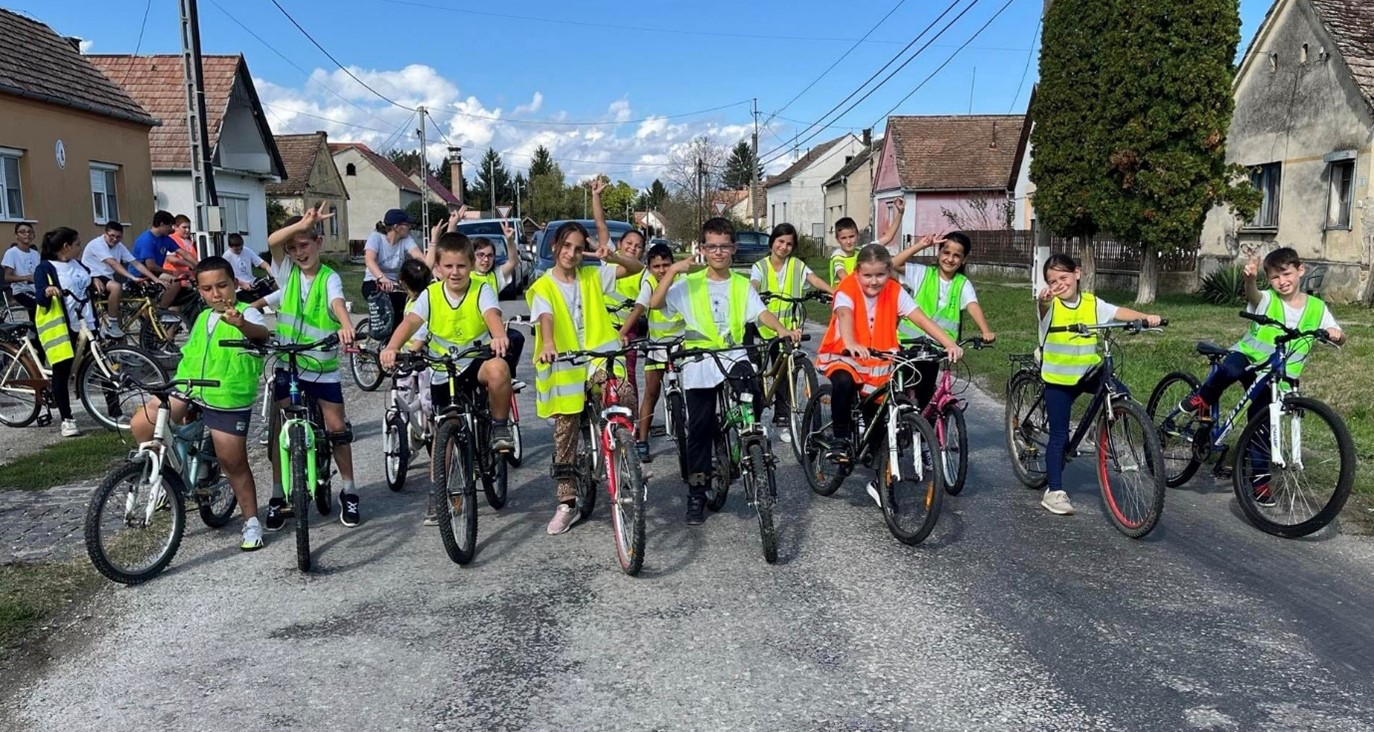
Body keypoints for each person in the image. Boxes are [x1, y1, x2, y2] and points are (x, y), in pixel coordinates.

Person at [648, 217, 800, 525]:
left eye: (724, 246)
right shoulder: (689, 283)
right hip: (699, 359)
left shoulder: (741, 284)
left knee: (754, 394)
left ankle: (746, 442)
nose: (718, 252)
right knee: (700, 428)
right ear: (703, 249)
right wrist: (673, 271)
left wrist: (783, 330)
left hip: (733, 355)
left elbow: (761, 313)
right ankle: (697, 492)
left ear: (733, 249)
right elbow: (655, 302)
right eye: (712, 247)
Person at [1179, 247, 1344, 505]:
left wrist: (1336, 334)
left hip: (1275, 376)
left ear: (1300, 271)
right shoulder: (1268, 299)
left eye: (1286, 274)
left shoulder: (1317, 308)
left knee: (1262, 425)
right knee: (1229, 369)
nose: (1282, 281)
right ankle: (1204, 397)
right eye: (1275, 277)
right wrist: (1250, 279)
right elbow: (1253, 295)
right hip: (1248, 358)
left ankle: (1260, 482)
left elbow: (1340, 334)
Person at [130, 256, 271, 551]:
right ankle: (166, 480)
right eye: (207, 289)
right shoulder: (203, 316)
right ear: (199, 290)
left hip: (227, 396)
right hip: (189, 387)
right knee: (142, 423)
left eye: (222, 286)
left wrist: (241, 324)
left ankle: (251, 521)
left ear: (235, 283)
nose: (216, 294)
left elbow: (261, 335)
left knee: (232, 462)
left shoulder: (247, 313)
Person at [381, 233, 515, 522]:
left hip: (474, 361)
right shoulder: (430, 295)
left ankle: (500, 427)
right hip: (443, 369)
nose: (455, 272)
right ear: (438, 268)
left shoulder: (481, 289)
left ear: (471, 265)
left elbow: (492, 315)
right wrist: (392, 347)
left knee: (499, 369)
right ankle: (439, 493)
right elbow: (410, 322)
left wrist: (498, 335)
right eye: (449, 266)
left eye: (461, 266)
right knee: (443, 434)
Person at [815, 244, 963, 505]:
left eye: (880, 275)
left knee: (880, 415)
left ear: (888, 272)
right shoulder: (846, 289)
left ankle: (879, 476)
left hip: (879, 361)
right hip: (846, 354)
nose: (874, 281)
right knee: (843, 382)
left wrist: (948, 343)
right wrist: (851, 342)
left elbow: (922, 319)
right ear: (857, 272)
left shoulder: (894, 291)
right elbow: (845, 315)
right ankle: (840, 438)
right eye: (868, 275)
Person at [528, 221, 643, 535]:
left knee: (623, 392)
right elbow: (546, 316)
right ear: (555, 247)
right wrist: (548, 343)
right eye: (566, 246)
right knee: (565, 428)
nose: (572, 253)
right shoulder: (543, 286)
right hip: (564, 362)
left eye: (579, 248)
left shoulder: (592, 276)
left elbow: (636, 268)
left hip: (596, 357)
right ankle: (566, 502)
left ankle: (625, 456)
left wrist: (613, 256)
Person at [255, 204, 361, 530]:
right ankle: (278, 494)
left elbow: (337, 303)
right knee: (281, 428)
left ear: (319, 243)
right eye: (293, 248)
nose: (299, 253)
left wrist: (346, 325)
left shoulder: (329, 278)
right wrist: (301, 225)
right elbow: (272, 240)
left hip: (321, 366)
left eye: (305, 245)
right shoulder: (286, 273)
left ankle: (349, 490)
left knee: (336, 428)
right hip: (288, 363)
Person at [1038, 253, 1162, 516]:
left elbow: (1118, 312)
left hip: (1087, 372)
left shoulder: (1092, 303)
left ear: (1077, 273)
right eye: (1052, 281)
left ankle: (1102, 427)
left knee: (1121, 394)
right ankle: (1054, 491)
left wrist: (1145, 317)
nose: (1059, 284)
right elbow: (1043, 305)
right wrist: (1044, 299)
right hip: (1059, 379)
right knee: (1060, 436)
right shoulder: (1051, 305)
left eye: (1063, 277)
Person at [890, 231, 997, 408]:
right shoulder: (923, 273)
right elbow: (892, 264)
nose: (950, 259)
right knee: (900, 395)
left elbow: (972, 305)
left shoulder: (962, 283)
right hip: (908, 347)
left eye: (956, 255)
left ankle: (922, 425)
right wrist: (921, 245)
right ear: (939, 253)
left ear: (964, 260)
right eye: (946, 253)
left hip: (937, 350)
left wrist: (985, 330)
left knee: (925, 398)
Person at [748, 222, 833, 438]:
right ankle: (754, 418)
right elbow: (754, 284)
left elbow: (814, 280)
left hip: (790, 329)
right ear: (772, 242)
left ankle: (782, 419)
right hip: (764, 329)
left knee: (787, 374)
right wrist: (752, 293)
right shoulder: (760, 266)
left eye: (789, 244)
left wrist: (834, 292)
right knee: (756, 374)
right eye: (780, 241)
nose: (784, 247)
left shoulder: (797, 265)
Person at [618, 242, 681, 461]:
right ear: (649, 267)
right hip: (657, 345)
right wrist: (623, 332)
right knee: (652, 391)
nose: (662, 270)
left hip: (683, 344)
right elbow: (639, 308)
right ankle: (642, 440)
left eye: (666, 265)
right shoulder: (649, 282)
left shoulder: (682, 280)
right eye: (656, 266)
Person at [33, 228, 97, 437]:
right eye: (77, 244)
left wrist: (96, 281)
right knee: (61, 372)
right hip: (63, 326)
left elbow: (86, 281)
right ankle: (67, 419)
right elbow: (40, 297)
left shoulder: (78, 264)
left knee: (103, 362)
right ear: (66, 247)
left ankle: (116, 412)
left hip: (87, 323)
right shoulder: (45, 268)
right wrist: (47, 291)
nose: (80, 247)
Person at [591, 178, 649, 390]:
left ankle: (628, 412)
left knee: (627, 378)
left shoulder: (643, 272)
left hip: (626, 332)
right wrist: (596, 196)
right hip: (600, 327)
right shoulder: (609, 258)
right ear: (619, 244)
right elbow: (601, 225)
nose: (633, 248)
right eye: (629, 243)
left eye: (638, 246)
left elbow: (639, 307)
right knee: (595, 376)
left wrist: (623, 332)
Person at [82, 221, 154, 338]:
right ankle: (112, 324)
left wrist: (155, 278)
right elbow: (113, 264)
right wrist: (132, 277)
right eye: (112, 236)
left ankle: (120, 343)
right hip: (93, 277)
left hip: (107, 277)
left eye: (118, 237)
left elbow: (135, 263)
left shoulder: (119, 246)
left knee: (118, 314)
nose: (115, 239)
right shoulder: (97, 244)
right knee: (116, 287)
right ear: (105, 233)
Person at [363, 208, 431, 324]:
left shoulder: (406, 239)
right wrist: (382, 278)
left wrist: (434, 268)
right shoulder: (376, 237)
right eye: (407, 224)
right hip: (374, 281)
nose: (410, 227)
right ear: (397, 227)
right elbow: (369, 261)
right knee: (390, 310)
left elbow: (420, 257)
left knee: (406, 308)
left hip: (396, 284)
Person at [830, 198, 905, 285]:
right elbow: (842, 274)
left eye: (851, 236)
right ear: (837, 240)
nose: (848, 241)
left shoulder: (862, 251)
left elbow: (887, 238)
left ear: (858, 235)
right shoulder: (837, 256)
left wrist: (900, 213)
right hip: (846, 292)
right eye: (843, 238)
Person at [132, 210, 193, 309]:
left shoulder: (165, 239)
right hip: (141, 275)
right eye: (170, 226)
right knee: (176, 282)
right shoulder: (146, 240)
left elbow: (184, 253)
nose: (171, 229)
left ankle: (165, 307)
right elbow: (151, 266)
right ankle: (161, 310)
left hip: (155, 273)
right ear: (161, 224)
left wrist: (197, 265)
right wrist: (171, 272)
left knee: (179, 282)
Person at [3, 222, 40, 320]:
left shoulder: (35, 254)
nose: (27, 234)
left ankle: (34, 327)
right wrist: (27, 277)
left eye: (30, 232)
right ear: (16, 235)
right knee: (39, 303)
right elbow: (7, 277)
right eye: (22, 232)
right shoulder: (11, 253)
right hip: (22, 290)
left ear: (33, 235)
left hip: (36, 289)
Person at [223, 233, 271, 302]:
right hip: (237, 287)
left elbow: (262, 263)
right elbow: (227, 276)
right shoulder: (226, 256)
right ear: (230, 247)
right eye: (236, 250)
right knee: (252, 303)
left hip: (251, 281)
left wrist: (270, 271)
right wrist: (241, 283)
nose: (239, 251)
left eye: (241, 248)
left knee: (269, 290)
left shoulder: (247, 250)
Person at [163, 214, 201, 280]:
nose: (187, 230)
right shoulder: (170, 239)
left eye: (189, 228)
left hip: (188, 277)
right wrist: (189, 264)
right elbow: (170, 258)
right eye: (184, 227)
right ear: (175, 227)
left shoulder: (189, 242)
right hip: (174, 277)